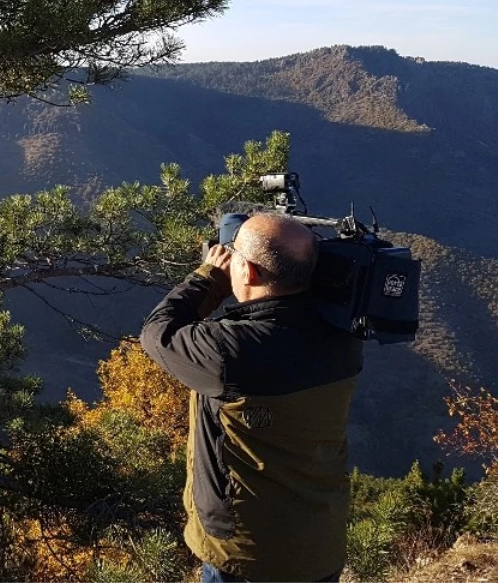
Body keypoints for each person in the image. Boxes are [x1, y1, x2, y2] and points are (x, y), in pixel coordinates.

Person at [139, 213, 363, 583]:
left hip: (246, 558)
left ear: (251, 272)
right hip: (319, 547)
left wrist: (209, 276)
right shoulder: (344, 338)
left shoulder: (230, 353)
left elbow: (157, 333)